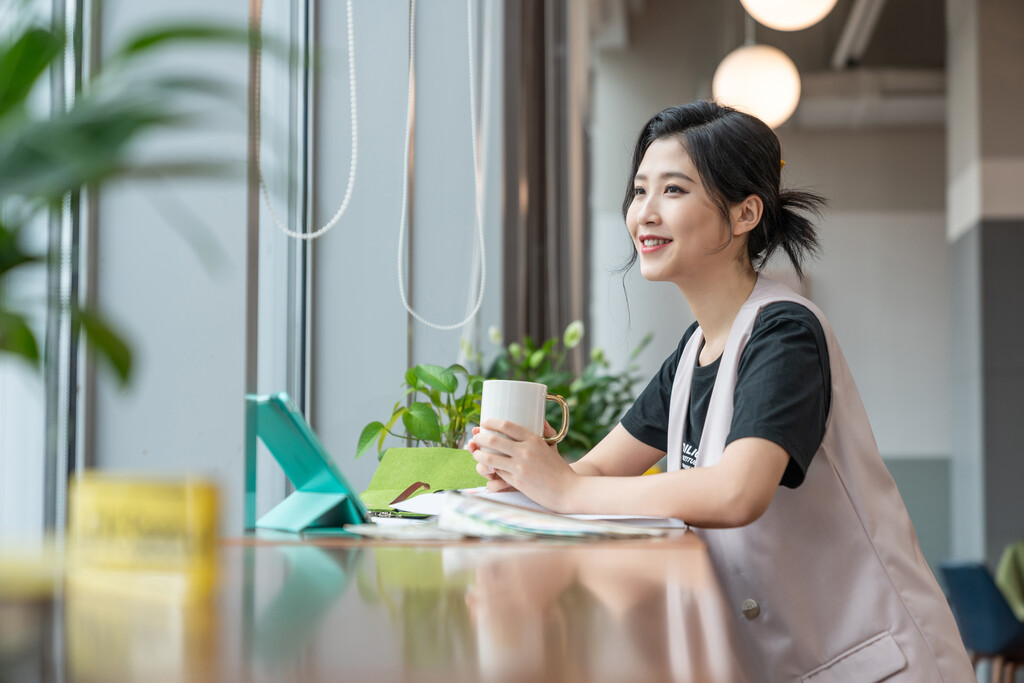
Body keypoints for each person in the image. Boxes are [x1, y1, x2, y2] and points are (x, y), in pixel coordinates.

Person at [469, 100, 974, 682]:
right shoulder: (692, 353)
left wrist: (562, 490)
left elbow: (739, 491)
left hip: (883, 666)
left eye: (674, 191)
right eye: (639, 191)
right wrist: (518, 471)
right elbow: (596, 473)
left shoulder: (786, 331)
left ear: (743, 214)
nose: (644, 214)